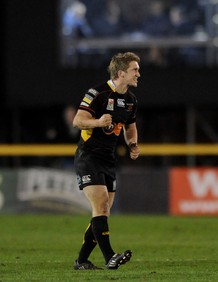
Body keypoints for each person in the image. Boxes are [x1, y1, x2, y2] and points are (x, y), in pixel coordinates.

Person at [72, 51, 142, 270]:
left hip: (108, 160)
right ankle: (110, 256)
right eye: (135, 70)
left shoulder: (130, 100)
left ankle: (82, 260)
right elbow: (78, 121)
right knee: (101, 205)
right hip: (88, 156)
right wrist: (98, 122)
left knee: (103, 211)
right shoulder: (97, 93)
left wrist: (132, 144)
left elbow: (130, 126)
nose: (138, 74)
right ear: (121, 73)